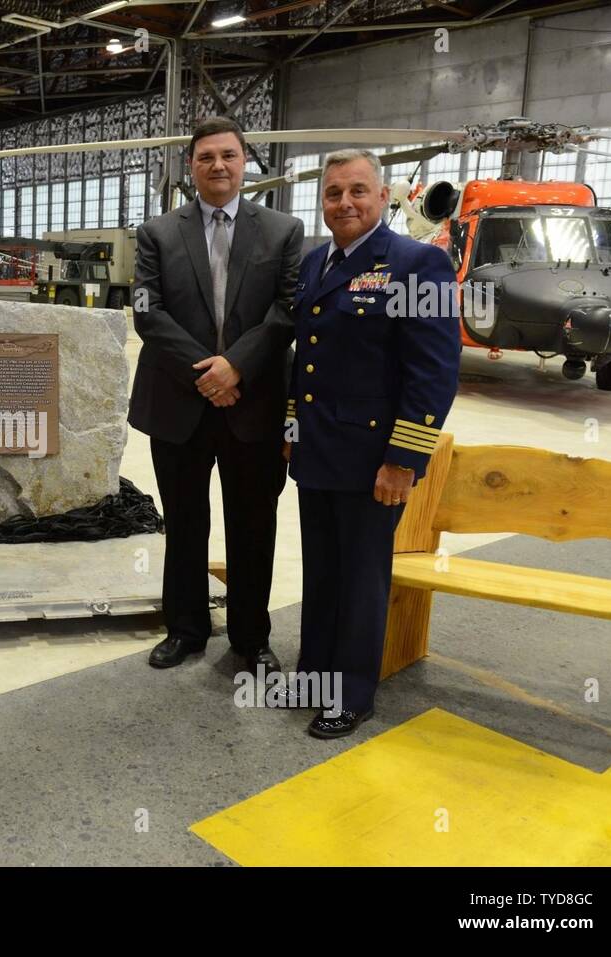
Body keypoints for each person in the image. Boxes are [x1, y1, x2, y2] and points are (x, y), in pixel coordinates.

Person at [285, 148, 460, 738]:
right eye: (334, 193)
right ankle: (314, 675)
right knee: (323, 572)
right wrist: (292, 429)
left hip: (374, 461)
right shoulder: (316, 263)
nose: (345, 203)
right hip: (318, 453)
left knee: (362, 577)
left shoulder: (418, 264)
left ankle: (352, 693)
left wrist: (403, 461)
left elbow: (434, 374)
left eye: (358, 190)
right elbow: (303, 359)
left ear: (384, 198)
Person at [129, 116, 304, 676]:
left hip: (252, 404)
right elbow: (145, 311)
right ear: (191, 167)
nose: (219, 166)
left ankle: (252, 638)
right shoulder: (157, 233)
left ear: (245, 161)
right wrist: (206, 371)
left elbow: (288, 310)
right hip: (179, 403)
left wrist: (237, 368)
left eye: (228, 155)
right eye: (206, 157)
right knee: (184, 522)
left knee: (254, 525)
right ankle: (186, 628)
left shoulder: (282, 230)